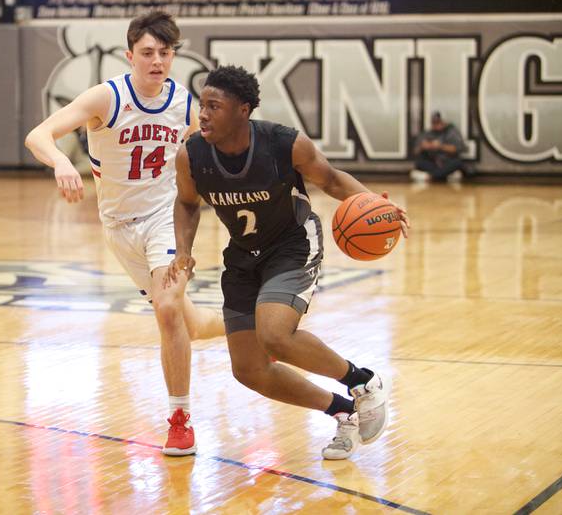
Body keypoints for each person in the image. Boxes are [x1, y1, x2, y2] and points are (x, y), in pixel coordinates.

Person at [166, 66, 409, 460]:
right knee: (249, 370)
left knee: (275, 334)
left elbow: (331, 180)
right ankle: (343, 411)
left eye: (214, 106)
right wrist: (183, 249)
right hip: (242, 257)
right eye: (202, 106)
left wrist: (378, 206)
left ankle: (363, 383)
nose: (203, 115)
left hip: (292, 246)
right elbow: (187, 203)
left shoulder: (283, 143)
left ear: (243, 110)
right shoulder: (191, 155)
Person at [25, 10, 224, 457]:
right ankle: (250, 327)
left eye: (165, 53)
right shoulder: (107, 97)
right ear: (129, 55)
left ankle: (179, 419)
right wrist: (60, 161)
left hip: (166, 219)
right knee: (190, 324)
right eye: (148, 53)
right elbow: (38, 135)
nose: (157, 61)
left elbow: (209, 157)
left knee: (168, 309)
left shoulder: (184, 104)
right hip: (118, 228)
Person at [410, 111, 467, 183]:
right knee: (419, 162)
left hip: (447, 161)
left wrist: (440, 146)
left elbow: (457, 149)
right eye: (434, 123)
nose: (436, 125)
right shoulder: (426, 133)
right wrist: (422, 147)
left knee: (457, 163)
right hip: (433, 162)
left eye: (438, 122)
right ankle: (443, 175)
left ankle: (431, 176)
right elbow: (415, 151)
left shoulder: (452, 132)